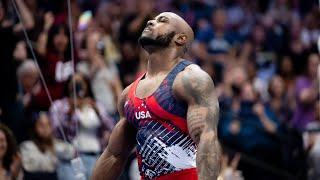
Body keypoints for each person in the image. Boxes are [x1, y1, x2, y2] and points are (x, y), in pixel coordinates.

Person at [92, 12, 221, 180]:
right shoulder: (128, 95)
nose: (151, 22)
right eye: (152, 19)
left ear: (180, 39)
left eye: (162, 21)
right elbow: (114, 155)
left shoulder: (190, 80)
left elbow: (207, 139)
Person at [49, 72, 115, 179]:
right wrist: (70, 112)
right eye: (74, 83)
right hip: (72, 158)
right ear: (68, 85)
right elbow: (56, 131)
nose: (78, 86)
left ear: (87, 85)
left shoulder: (95, 104)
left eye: (81, 82)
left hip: (96, 155)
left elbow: (111, 127)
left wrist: (97, 111)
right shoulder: (60, 106)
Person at [20, 112, 75, 180]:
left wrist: (53, 148)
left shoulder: (56, 143)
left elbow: (71, 152)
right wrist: (51, 153)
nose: (45, 128)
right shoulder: (27, 146)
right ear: (34, 127)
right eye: (41, 125)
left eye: (48, 125)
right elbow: (30, 166)